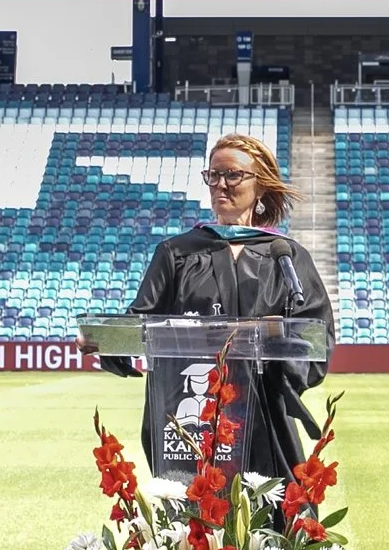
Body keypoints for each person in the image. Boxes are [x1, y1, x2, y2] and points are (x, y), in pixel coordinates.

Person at [109, 131, 333, 479]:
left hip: (263, 416)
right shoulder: (176, 253)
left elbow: (318, 338)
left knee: (275, 520)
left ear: (260, 186)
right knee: (194, 521)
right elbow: (139, 322)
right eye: (213, 175)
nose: (221, 185)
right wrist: (107, 341)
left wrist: (279, 359)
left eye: (233, 175)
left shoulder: (286, 256)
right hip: (188, 420)